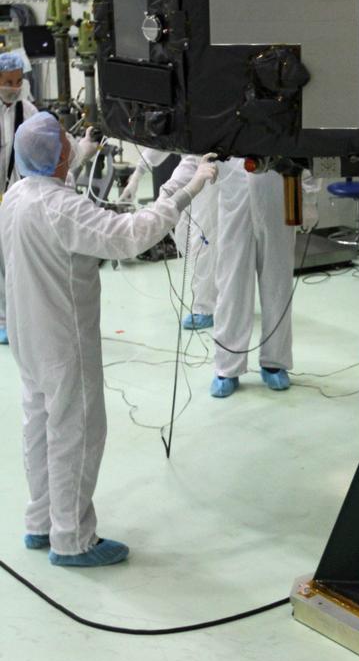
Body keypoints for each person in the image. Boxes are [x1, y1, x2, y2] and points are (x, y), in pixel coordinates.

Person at [0, 112, 217, 567]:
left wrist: (82, 155)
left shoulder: (15, 196)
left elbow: (53, 194)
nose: (72, 144)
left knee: (38, 427)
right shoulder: (65, 209)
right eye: (67, 142)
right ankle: (72, 539)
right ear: (59, 155)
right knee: (75, 433)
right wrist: (188, 191)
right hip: (63, 341)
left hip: (27, 337)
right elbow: (131, 235)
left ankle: (41, 522)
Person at [210, 159, 296, 398]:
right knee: (231, 282)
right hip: (233, 190)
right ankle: (227, 367)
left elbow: (304, 140)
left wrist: (308, 195)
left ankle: (274, 362)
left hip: (278, 183)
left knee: (278, 280)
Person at [124, 147, 218, 330]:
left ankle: (205, 309)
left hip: (215, 176)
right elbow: (164, 141)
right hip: (195, 166)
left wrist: (169, 191)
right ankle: (217, 293)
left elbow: (195, 161)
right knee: (183, 234)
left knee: (201, 241)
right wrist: (138, 174)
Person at [0, 51, 39, 344]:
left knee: (16, 260)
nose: (13, 87)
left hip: (16, 198)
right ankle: (3, 319)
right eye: (7, 82)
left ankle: (20, 318)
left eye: (17, 81)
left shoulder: (28, 112)